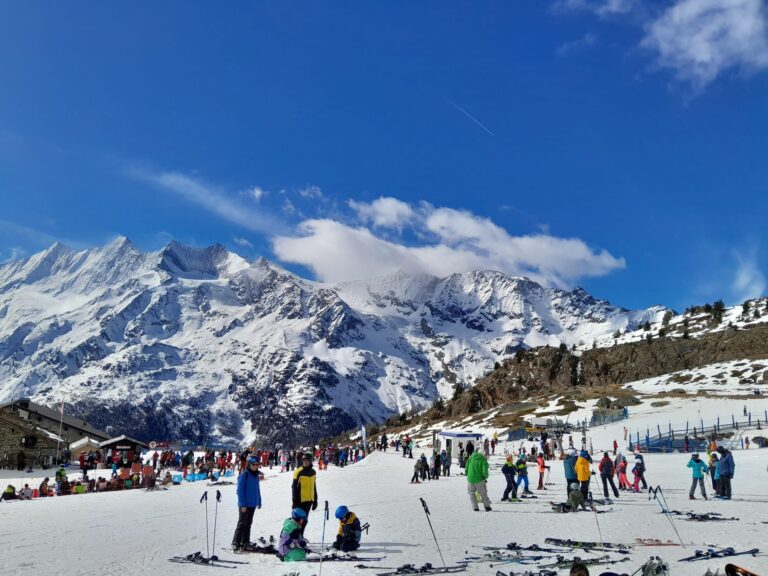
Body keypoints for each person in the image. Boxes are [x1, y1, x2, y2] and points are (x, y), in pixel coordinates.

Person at [232, 455, 263, 551]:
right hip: (245, 504)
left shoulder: (256, 476)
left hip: (253, 503)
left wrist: (259, 501)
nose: (255, 466)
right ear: (249, 464)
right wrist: (242, 504)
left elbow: (257, 489)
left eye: (257, 464)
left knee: (248, 523)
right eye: (253, 464)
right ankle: (236, 541)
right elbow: (240, 491)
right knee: (242, 523)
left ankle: (245, 541)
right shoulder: (244, 475)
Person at [292, 453, 318, 534]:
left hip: (309, 501)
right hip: (300, 501)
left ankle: (300, 536)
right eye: (304, 461)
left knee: (305, 521)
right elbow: (294, 488)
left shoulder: (313, 472)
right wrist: (295, 502)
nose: (305, 462)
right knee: (297, 521)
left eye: (307, 461)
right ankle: (294, 537)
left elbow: (314, 486)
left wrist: (315, 500)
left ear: (310, 461)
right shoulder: (298, 472)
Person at [464, 442, 492, 511]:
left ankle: (475, 507)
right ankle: (487, 506)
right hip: (479, 479)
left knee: (471, 494)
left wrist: (467, 473)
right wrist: (485, 476)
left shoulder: (470, 458)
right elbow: (484, 469)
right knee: (483, 493)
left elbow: (466, 467)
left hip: (470, 479)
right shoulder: (482, 458)